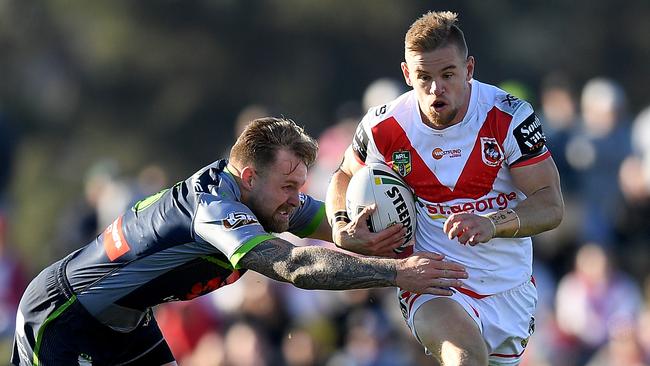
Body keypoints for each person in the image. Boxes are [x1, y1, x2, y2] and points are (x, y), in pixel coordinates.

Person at [11, 117, 468, 366]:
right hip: (64, 316)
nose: (295, 201)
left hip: (125, 323)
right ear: (250, 178)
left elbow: (331, 225)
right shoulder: (215, 209)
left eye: (300, 187)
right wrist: (398, 273)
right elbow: (297, 267)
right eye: (288, 188)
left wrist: (362, 233)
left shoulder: (263, 197)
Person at [325, 11, 564, 365]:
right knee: (466, 359)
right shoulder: (383, 126)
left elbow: (551, 206)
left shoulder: (508, 117)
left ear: (469, 70)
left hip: (508, 289)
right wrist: (341, 224)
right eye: (424, 77)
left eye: (448, 75)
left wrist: (492, 223)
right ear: (407, 74)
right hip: (432, 284)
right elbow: (343, 175)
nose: (436, 89)